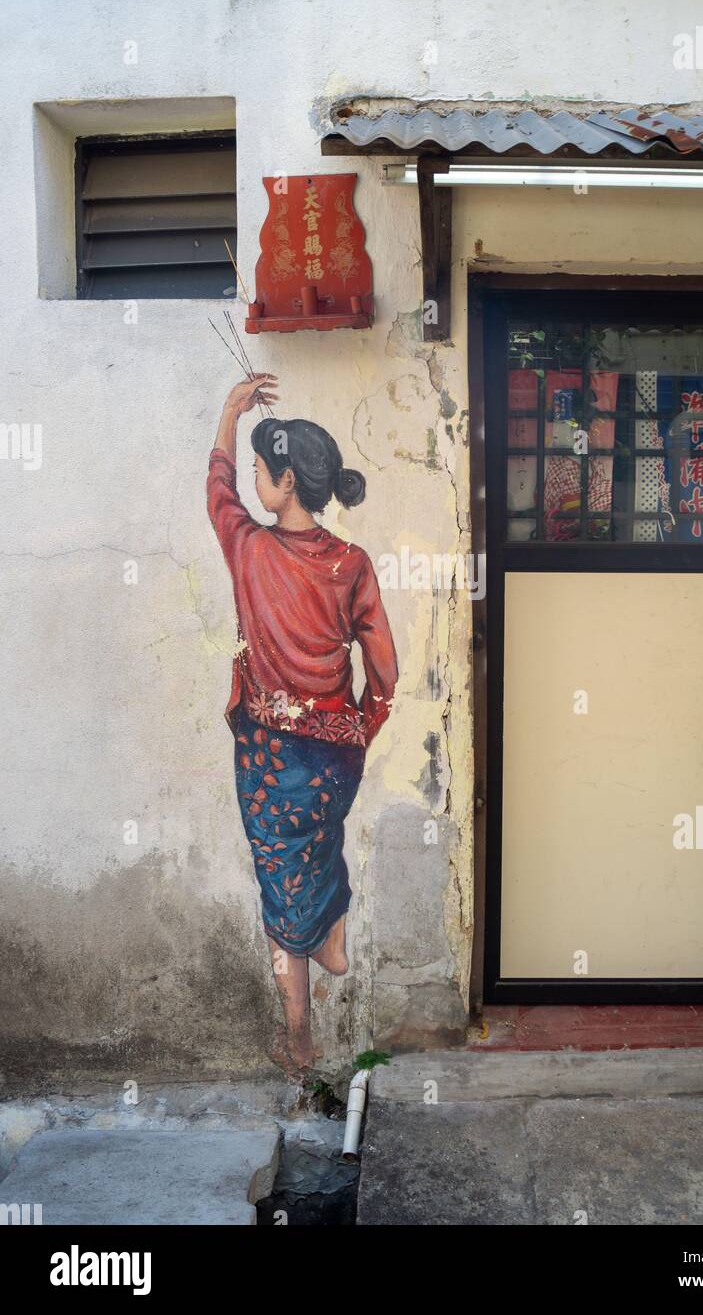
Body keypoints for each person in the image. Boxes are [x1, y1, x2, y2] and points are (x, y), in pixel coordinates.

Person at [207, 375, 398, 1074]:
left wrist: (229, 411)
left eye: (263, 471)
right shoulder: (352, 564)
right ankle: (334, 940)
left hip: (269, 752)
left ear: (286, 481)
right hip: (335, 754)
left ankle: (300, 1038)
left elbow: (216, 490)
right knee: (320, 847)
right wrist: (362, 727)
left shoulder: (249, 549)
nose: (253, 480)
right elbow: (385, 673)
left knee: (279, 875)